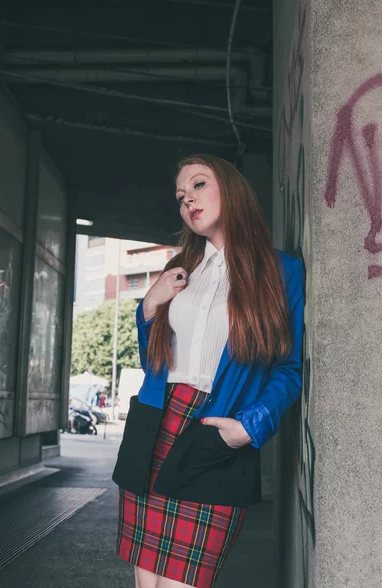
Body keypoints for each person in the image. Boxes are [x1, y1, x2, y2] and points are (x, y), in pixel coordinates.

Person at [113, 154, 304, 588]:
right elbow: (155, 364)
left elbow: (288, 368)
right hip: (155, 425)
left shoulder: (280, 271)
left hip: (216, 428)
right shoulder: (179, 269)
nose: (188, 200)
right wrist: (149, 308)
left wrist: (248, 427)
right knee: (147, 585)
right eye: (181, 196)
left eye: (198, 185)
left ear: (231, 189)